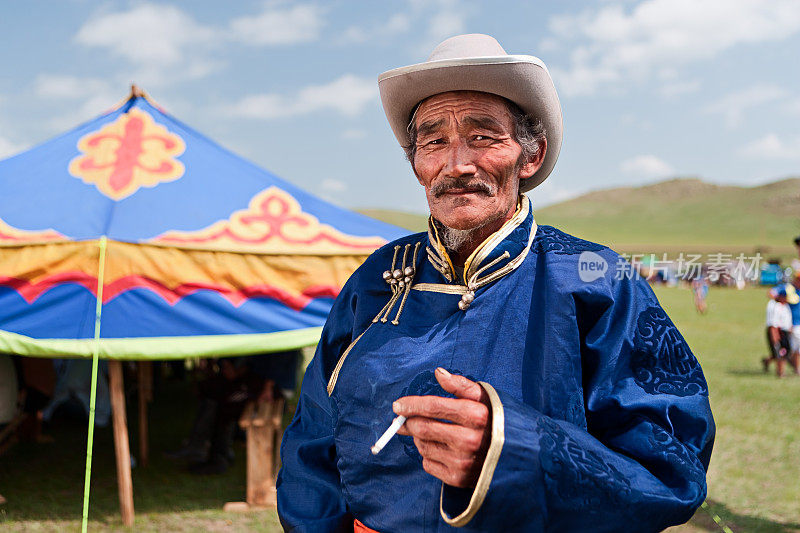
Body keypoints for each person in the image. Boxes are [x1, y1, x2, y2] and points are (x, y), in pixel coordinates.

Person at [278, 34, 715, 532]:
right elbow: (311, 447)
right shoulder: (374, 282)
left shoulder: (596, 279)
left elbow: (671, 471)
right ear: (417, 163)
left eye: (483, 137)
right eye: (434, 141)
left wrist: (509, 448)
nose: (456, 164)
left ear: (529, 157)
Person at [762, 285, 797, 377]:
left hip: (784, 332)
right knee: (779, 353)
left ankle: (767, 361)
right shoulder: (775, 307)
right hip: (777, 332)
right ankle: (781, 373)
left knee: (784, 352)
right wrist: (776, 339)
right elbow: (773, 326)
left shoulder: (785, 306)